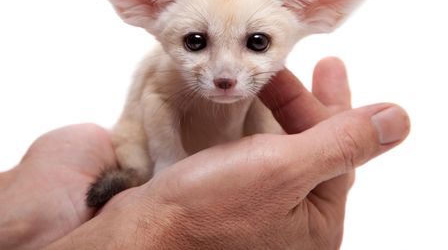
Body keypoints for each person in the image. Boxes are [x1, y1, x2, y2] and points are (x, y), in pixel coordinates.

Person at [0, 58, 410, 249]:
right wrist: (155, 223)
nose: (225, 74)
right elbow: (156, 103)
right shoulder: (163, 72)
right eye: (196, 43)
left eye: (256, 43)